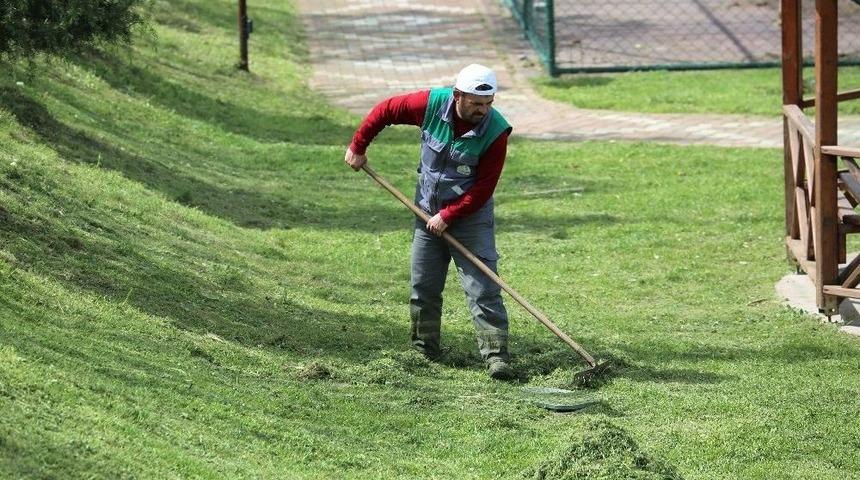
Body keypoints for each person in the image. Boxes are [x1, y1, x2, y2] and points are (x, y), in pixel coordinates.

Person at [344, 64, 514, 380]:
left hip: (470, 219)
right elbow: (386, 110)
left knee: (482, 288)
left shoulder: (495, 132)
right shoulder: (431, 105)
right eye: (477, 103)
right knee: (424, 285)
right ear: (457, 96)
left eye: (488, 103)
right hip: (426, 213)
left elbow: (484, 188)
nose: (483, 110)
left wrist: (448, 216)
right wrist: (358, 145)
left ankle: (496, 358)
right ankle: (425, 350)